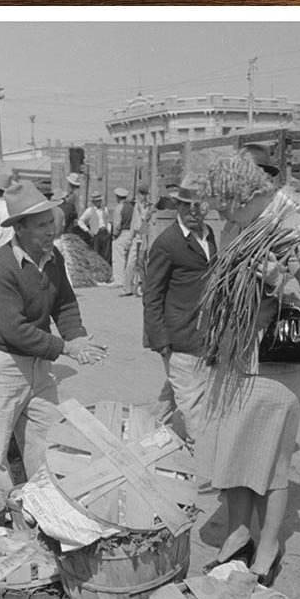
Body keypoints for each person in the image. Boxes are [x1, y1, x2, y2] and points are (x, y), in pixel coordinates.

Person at [197, 158, 300, 585]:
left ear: (249, 196)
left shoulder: (298, 226)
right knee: (234, 450)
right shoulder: (237, 227)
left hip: (275, 362)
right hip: (234, 356)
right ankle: (237, 536)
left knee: (273, 461)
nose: (221, 217)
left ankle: (268, 547)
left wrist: (278, 281)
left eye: (226, 207)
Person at [0, 180, 108, 491]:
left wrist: (79, 339)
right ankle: (3, 517)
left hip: (38, 365)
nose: (51, 231)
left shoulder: (53, 257)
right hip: (0, 365)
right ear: (20, 228)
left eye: (51, 222)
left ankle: (44, 505)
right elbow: (14, 331)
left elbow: (65, 303)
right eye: (41, 225)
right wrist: (66, 348)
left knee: (46, 439)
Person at [141, 184, 216, 445]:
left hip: (204, 334)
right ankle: (204, 469)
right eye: (186, 205)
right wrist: (159, 340)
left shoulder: (209, 236)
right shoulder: (168, 243)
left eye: (198, 206)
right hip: (180, 336)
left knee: (177, 393)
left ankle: (145, 440)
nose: (193, 211)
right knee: (194, 407)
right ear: (178, 207)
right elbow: (152, 295)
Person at [122, 182, 153, 297]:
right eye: (141, 194)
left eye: (144, 194)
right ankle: (127, 288)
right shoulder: (136, 207)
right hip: (137, 237)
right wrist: (130, 240)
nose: (142, 196)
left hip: (146, 237)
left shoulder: (150, 206)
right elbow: (133, 224)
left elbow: (148, 222)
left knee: (143, 262)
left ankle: (143, 286)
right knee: (131, 262)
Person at [109, 187, 135, 290]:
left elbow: (117, 224)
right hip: (130, 232)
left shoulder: (119, 208)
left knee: (118, 258)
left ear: (117, 197)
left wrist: (114, 235)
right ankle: (127, 279)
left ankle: (119, 280)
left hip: (122, 233)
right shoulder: (131, 207)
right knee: (128, 258)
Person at [78, 192, 111, 262]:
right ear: (94, 202)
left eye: (100, 200)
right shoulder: (89, 211)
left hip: (105, 233)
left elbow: (107, 221)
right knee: (96, 254)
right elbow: (80, 221)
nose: (99, 202)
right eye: (97, 201)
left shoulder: (105, 209)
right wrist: (88, 230)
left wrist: (109, 230)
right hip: (96, 234)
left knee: (106, 254)